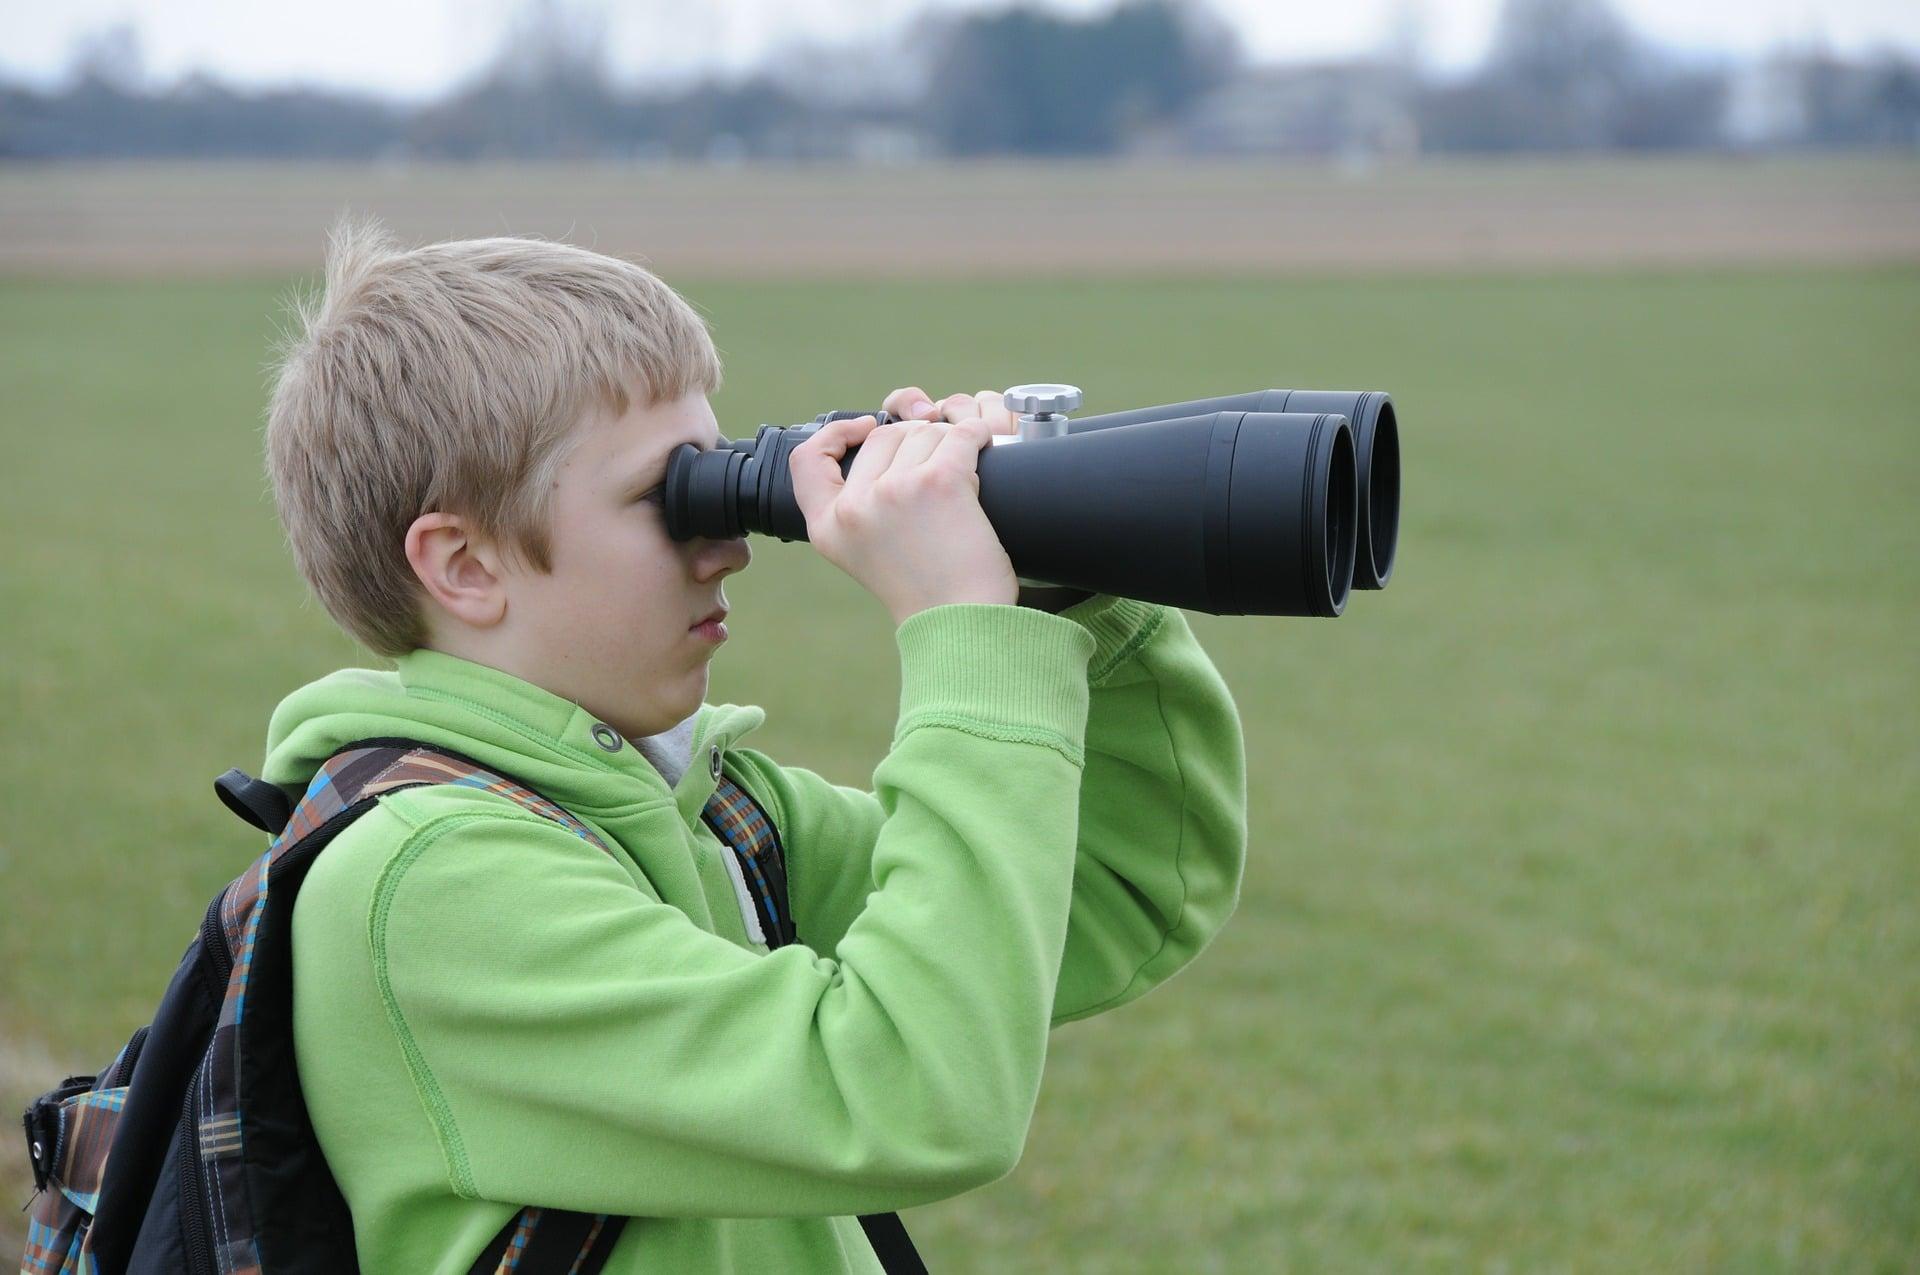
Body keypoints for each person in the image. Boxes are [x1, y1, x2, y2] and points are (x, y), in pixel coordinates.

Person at [260, 216, 1247, 1271]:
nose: (729, 545)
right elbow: (912, 1094)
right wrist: (968, 638)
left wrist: (1065, 583)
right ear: (464, 564)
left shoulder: (710, 816)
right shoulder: (427, 881)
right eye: (667, 498)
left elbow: (1113, 887)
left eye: (725, 477)